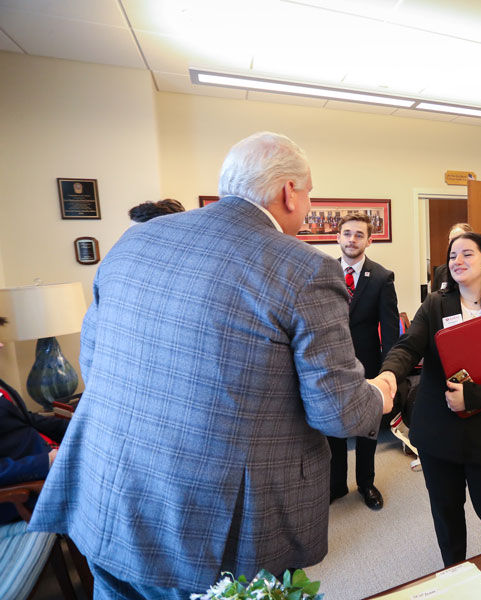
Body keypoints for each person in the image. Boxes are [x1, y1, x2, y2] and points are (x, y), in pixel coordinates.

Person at [29, 132, 394, 600]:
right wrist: (379, 393)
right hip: (210, 526)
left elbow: (95, 362)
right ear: (288, 191)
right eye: (308, 194)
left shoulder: (133, 242)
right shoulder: (303, 268)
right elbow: (338, 413)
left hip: (112, 498)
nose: (307, 208)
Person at [377, 233, 481, 567]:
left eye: (467, 254)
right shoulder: (436, 304)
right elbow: (408, 346)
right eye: (452, 256)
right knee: (446, 512)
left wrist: (473, 396)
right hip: (439, 433)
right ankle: (454, 574)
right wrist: (389, 373)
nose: (457, 261)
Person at [329, 213, 400, 510]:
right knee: (333, 429)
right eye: (347, 233)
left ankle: (366, 483)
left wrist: (388, 373)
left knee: (367, 429)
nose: (352, 239)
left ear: (370, 240)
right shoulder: (324, 272)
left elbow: (391, 329)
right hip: (331, 366)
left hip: (368, 366)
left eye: (359, 234)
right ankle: (335, 485)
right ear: (338, 237)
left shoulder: (382, 277)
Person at [0, 317, 69, 525]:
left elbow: (27, 420)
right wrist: (46, 462)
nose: (1, 345)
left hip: (47, 459)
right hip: (21, 490)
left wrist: (78, 427)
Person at [431, 223, 473, 292]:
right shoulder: (441, 271)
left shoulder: (475, 269)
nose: (454, 243)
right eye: (451, 240)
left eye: (458, 239)